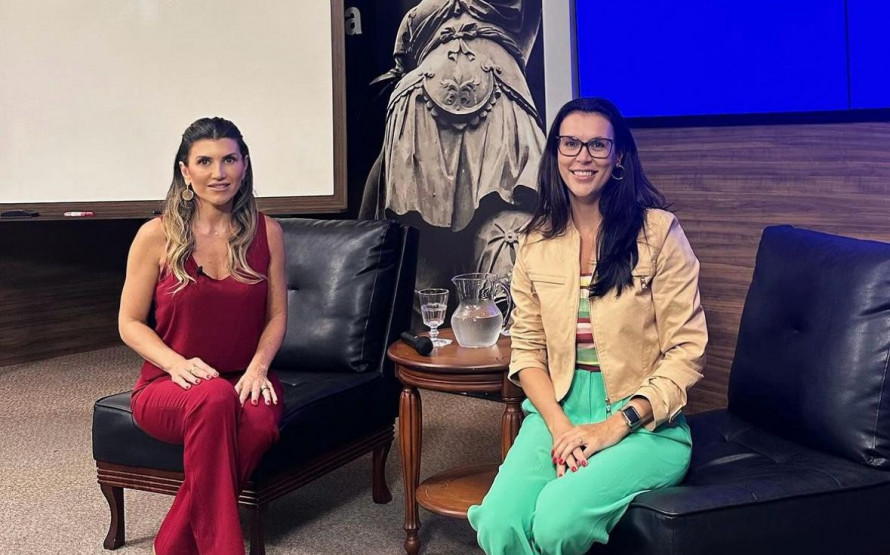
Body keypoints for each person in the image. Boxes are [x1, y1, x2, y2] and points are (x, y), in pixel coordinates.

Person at [467, 98, 708, 554]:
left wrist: (613, 426)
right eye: (571, 143)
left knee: (558, 521)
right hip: (558, 409)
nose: (583, 156)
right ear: (556, 154)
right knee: (498, 522)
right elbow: (527, 350)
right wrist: (560, 427)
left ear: (618, 157)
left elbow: (687, 352)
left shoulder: (659, 232)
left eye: (598, 145)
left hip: (645, 422)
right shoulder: (535, 241)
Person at [118, 117, 287, 555]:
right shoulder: (155, 236)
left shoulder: (268, 232)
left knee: (259, 427)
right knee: (213, 398)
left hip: (245, 377)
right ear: (185, 171)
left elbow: (276, 316)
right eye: (205, 161)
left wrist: (258, 368)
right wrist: (176, 364)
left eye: (229, 159)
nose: (219, 173)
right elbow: (129, 322)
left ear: (244, 165)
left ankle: (173, 543)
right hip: (168, 384)